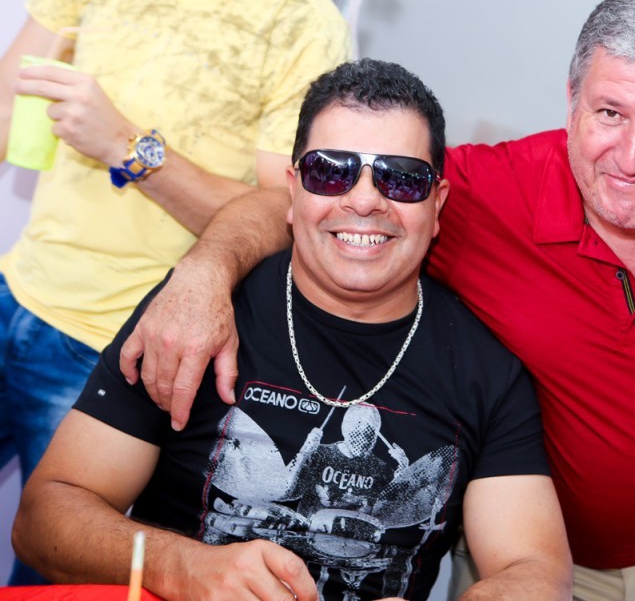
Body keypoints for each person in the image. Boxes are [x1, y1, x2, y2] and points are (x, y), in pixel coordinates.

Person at [117, 0, 635, 600]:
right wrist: (204, 273)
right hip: (517, 558)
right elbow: (316, 200)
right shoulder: (479, 192)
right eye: (610, 113)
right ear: (572, 101)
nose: (630, 156)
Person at [12, 59, 572, 601]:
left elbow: (536, 571)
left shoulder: (485, 372)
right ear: (294, 189)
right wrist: (183, 568)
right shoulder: (196, 315)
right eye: (331, 171)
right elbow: (44, 517)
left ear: (437, 204)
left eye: (401, 179)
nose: (364, 200)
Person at [0, 0, 349, 583]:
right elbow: (10, 96)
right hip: (16, 288)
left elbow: (283, 212)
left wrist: (128, 147)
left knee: (52, 575)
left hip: (120, 351)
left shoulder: (306, 23)